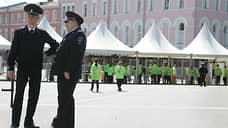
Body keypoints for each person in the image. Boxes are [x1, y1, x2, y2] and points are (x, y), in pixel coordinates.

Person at [7, 4, 59, 128]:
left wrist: (46, 54)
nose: (31, 19)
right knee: (18, 96)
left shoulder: (42, 34)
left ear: (37, 19)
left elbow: (55, 45)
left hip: (36, 70)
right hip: (22, 69)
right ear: (27, 17)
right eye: (29, 16)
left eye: (34, 17)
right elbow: (13, 51)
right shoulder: (19, 33)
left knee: (33, 97)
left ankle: (28, 122)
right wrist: (10, 67)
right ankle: (15, 123)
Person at [51, 11, 86, 128]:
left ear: (74, 22)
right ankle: (67, 124)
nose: (65, 24)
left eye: (67, 21)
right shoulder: (70, 35)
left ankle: (60, 122)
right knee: (66, 98)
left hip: (68, 73)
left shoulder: (79, 35)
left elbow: (75, 55)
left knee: (64, 98)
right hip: (64, 72)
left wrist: (68, 70)